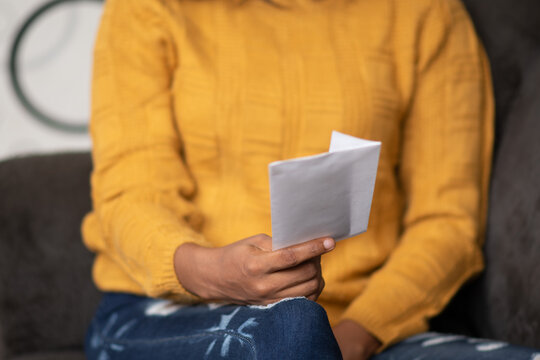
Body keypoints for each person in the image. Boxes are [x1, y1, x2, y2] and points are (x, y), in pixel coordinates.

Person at [82, 0, 539, 359]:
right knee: (291, 331)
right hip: (169, 312)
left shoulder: (425, 13)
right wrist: (213, 274)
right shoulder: (147, 7)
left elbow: (447, 224)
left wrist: (355, 336)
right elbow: (131, 194)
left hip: (359, 329)